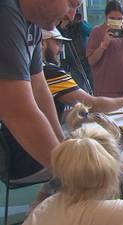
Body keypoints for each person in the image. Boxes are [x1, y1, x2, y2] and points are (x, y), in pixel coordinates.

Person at [0, 0, 81, 181]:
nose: (71, 15)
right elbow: (18, 110)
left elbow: (40, 89)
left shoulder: (33, 26)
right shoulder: (5, 13)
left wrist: (62, 145)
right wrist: (73, 177)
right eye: (72, 4)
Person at [41, 28, 123, 119]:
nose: (60, 50)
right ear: (42, 43)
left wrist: (80, 114)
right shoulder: (51, 73)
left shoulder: (38, 71)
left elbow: (53, 115)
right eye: (57, 43)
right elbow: (92, 104)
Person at [87, 0, 123, 97]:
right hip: (106, 90)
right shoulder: (97, 31)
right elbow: (91, 61)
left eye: (119, 18)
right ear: (106, 16)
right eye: (112, 18)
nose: (116, 21)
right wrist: (104, 44)